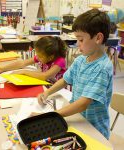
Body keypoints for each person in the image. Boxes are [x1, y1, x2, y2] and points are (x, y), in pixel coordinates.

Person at [36, 9, 113, 140]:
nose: (77, 44)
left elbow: (83, 103)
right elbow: (65, 80)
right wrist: (47, 93)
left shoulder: (102, 68)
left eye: (81, 40)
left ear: (98, 38)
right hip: (78, 118)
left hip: (94, 129)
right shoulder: (81, 60)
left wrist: (52, 116)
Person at [0, 36, 67, 83]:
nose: (37, 57)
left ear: (50, 57)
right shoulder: (43, 56)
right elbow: (22, 63)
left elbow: (45, 76)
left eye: (40, 56)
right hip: (45, 84)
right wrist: (2, 69)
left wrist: (24, 72)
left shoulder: (60, 61)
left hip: (58, 90)